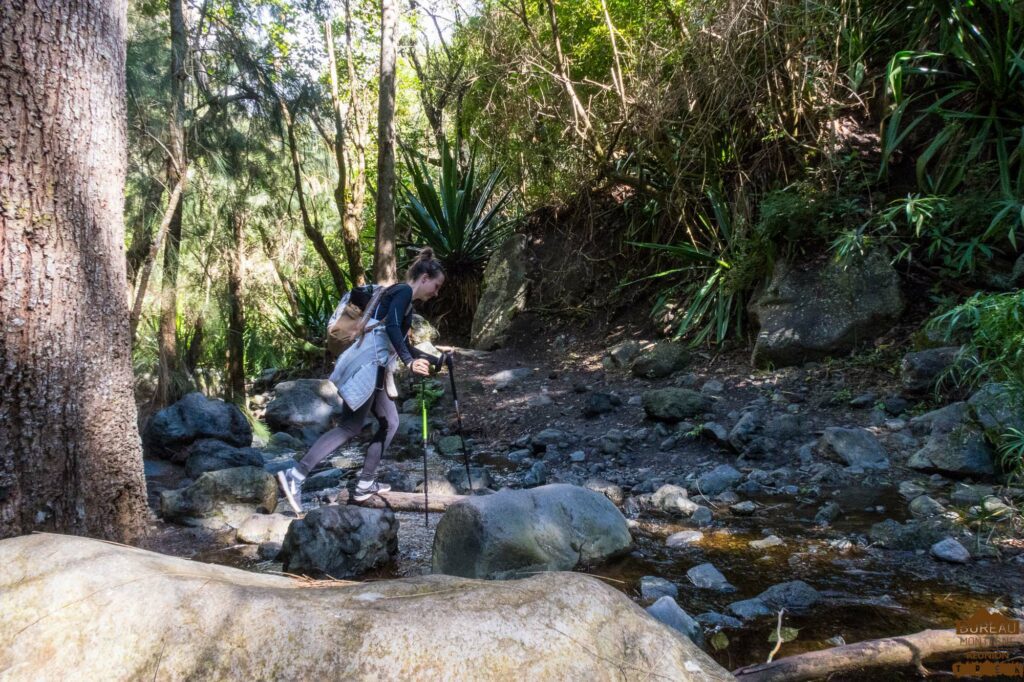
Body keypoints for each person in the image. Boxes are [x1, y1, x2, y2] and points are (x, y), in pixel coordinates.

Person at [276, 248, 445, 513]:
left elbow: (399, 342)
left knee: (390, 421)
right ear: (424, 277)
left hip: (376, 365)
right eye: (436, 286)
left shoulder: (405, 303)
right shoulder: (402, 292)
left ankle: (365, 483)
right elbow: (390, 330)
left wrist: (438, 360)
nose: (436, 293)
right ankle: (295, 475)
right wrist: (410, 362)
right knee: (349, 427)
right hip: (367, 364)